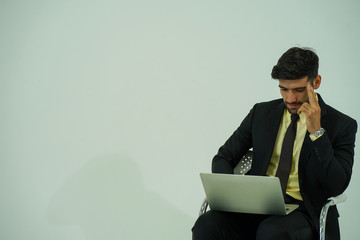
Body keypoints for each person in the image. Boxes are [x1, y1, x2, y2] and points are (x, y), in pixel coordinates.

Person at [192, 47, 357, 240]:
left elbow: (337, 185)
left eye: (298, 90)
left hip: (304, 211)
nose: (290, 99)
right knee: (207, 225)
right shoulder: (261, 114)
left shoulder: (341, 125)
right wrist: (234, 198)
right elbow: (224, 157)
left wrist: (317, 132)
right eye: (283, 89)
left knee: (272, 232)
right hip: (256, 205)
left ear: (316, 82)